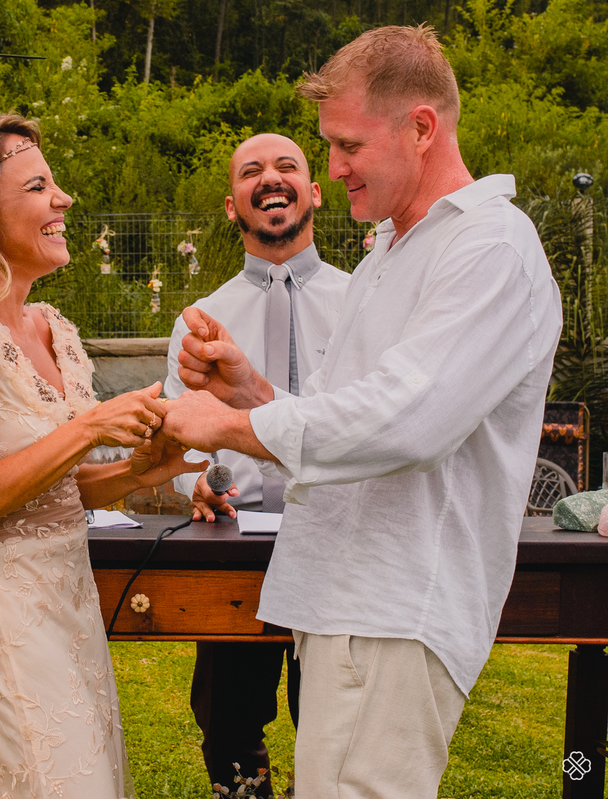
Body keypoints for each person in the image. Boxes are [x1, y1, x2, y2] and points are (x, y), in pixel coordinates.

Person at [160, 25, 562, 798]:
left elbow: (407, 421)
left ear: (420, 128)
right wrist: (253, 393)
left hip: (395, 608)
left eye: (346, 145)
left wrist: (229, 427)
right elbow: (354, 418)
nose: (332, 168)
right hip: (344, 604)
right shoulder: (392, 248)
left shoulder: (489, 247)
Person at [0, 111, 198, 799]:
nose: (64, 199)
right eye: (38, 186)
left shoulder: (52, 328)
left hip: (68, 602)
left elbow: (52, 488)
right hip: (1, 609)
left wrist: (139, 469)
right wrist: (90, 428)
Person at [164, 133, 349, 794]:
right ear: (231, 204)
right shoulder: (201, 318)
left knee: (334, 715)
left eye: (286, 166)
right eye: (251, 171)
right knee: (229, 720)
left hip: (340, 541)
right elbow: (179, 439)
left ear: (315, 190)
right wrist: (196, 487)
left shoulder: (363, 307)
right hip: (234, 551)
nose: (269, 179)